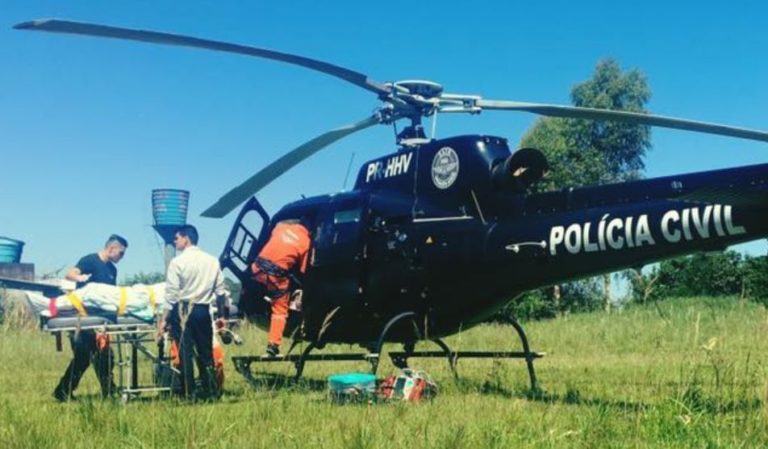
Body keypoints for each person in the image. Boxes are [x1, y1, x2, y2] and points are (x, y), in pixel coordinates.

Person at [53, 234, 128, 402]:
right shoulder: (90, 261)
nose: (122, 257)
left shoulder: (112, 270)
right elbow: (70, 273)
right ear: (111, 248)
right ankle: (64, 390)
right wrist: (80, 278)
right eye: (121, 253)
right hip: (83, 318)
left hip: (101, 321)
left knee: (104, 356)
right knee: (84, 357)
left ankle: (107, 391)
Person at [159, 225, 227, 400]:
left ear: (186, 238)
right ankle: (210, 390)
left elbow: (171, 295)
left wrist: (165, 319)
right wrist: (221, 316)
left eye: (177, 238)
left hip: (183, 311)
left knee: (185, 353)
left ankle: (189, 392)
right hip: (204, 310)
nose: (175, 242)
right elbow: (220, 292)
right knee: (206, 353)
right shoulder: (212, 260)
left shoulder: (177, 262)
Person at [251, 218, 311, 357]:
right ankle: (273, 346)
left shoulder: (280, 228)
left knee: (260, 291)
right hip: (276, 277)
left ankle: (257, 304)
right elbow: (303, 270)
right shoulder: (306, 242)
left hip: (257, 269)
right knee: (279, 311)